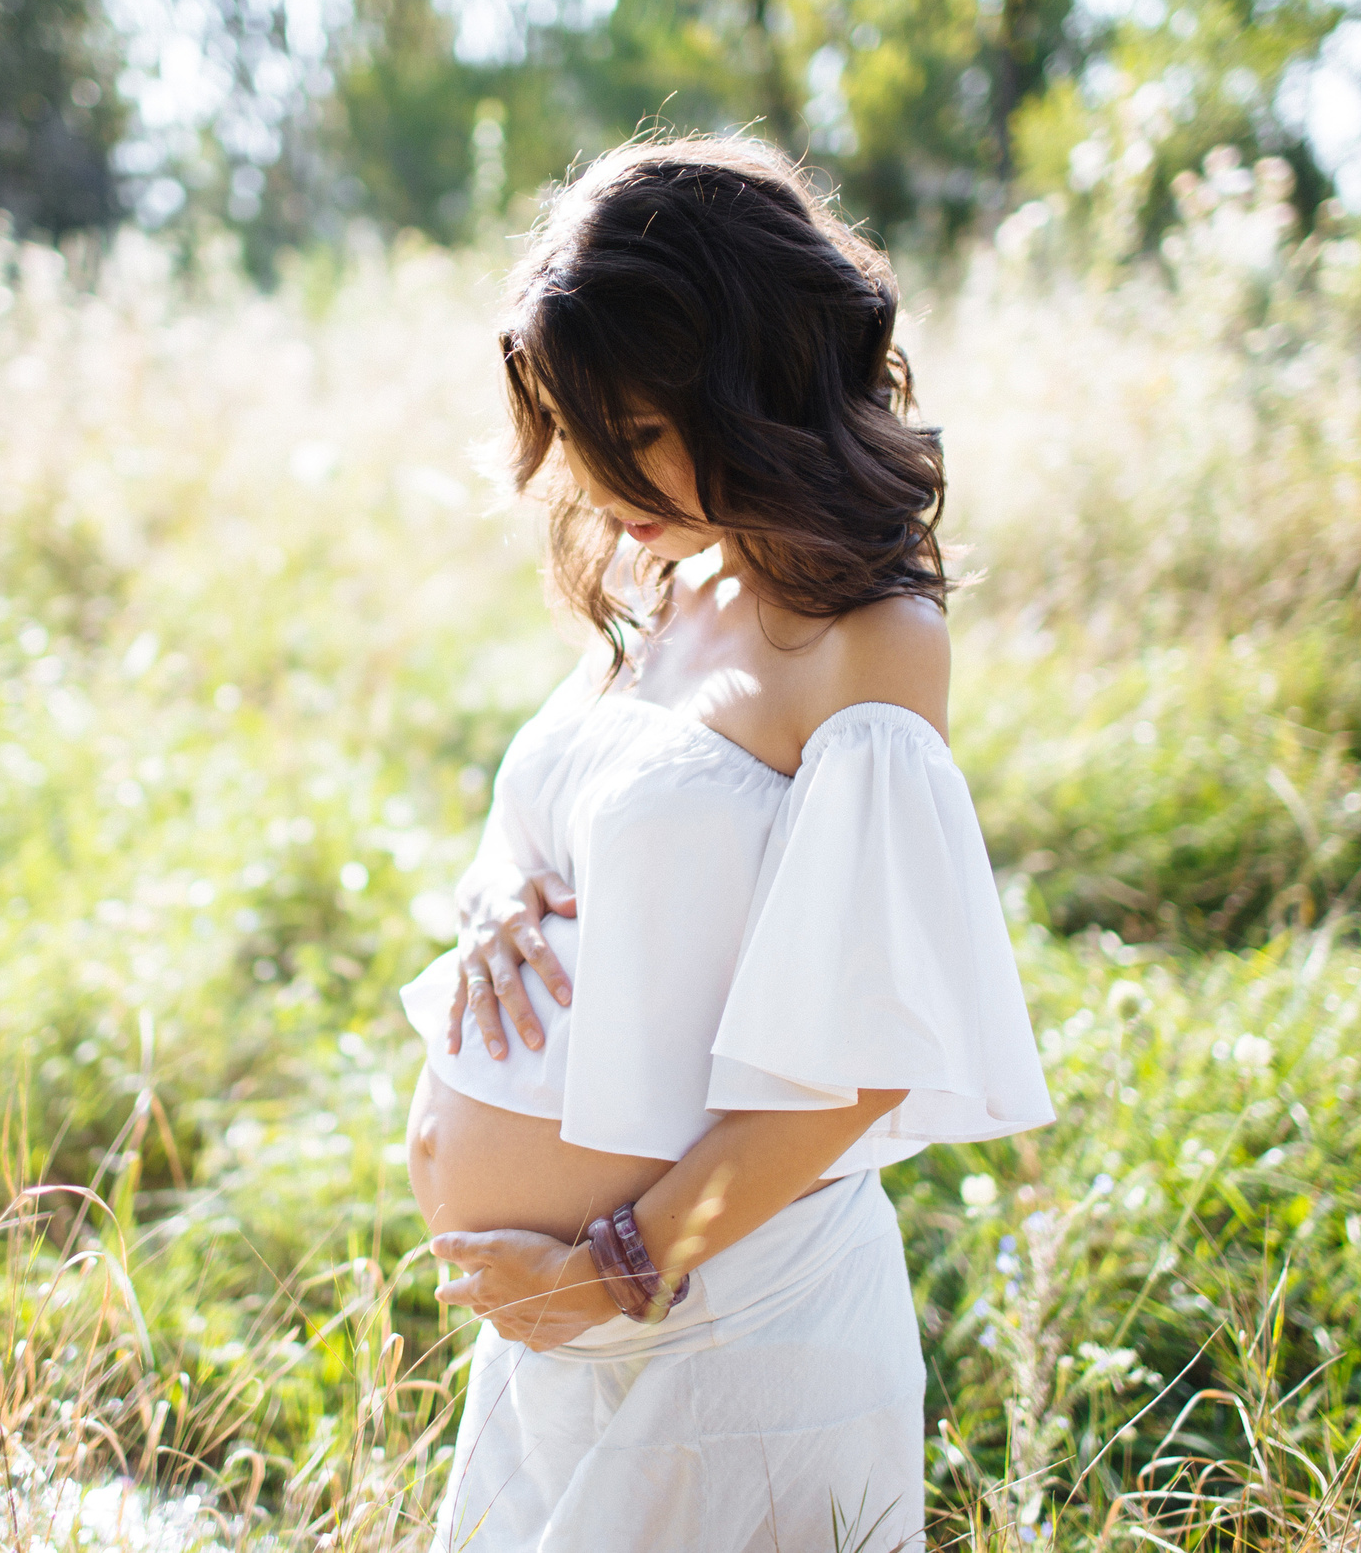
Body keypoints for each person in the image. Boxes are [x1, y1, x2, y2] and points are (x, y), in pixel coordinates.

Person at [397, 135, 1055, 1553]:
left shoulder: (869, 645)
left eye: (634, 429)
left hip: (723, 1329)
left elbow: (860, 1053)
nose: (595, 470)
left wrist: (615, 1266)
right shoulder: (673, 574)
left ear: (756, 381)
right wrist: (497, 892)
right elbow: (569, 822)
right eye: (576, 426)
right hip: (563, 1342)